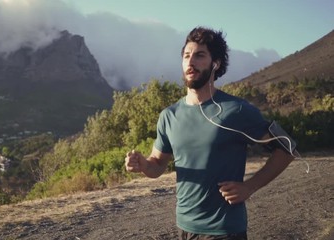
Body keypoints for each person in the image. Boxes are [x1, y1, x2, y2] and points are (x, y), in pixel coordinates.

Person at [124, 26, 294, 240]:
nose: (190, 61)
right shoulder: (169, 115)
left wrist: (249, 186)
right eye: (186, 56)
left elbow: (287, 148)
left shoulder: (236, 110)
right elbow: (157, 164)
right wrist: (142, 165)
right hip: (185, 228)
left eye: (199, 55)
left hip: (225, 230)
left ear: (216, 63)